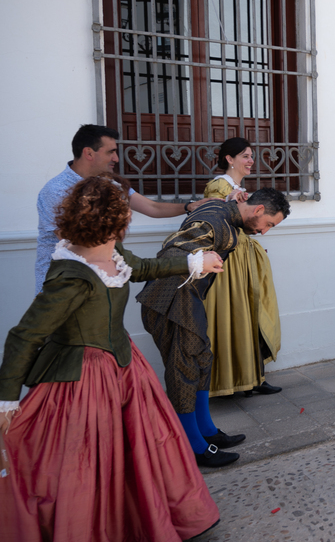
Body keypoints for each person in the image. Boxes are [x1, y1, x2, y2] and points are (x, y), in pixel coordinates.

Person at [0, 175, 224, 542]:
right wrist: (6, 398)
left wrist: (193, 261)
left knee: (136, 453)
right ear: (115, 219)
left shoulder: (113, 251)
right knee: (84, 463)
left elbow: (143, 268)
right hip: (81, 379)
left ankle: (137, 522)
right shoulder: (70, 274)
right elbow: (26, 335)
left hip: (124, 367)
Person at [136, 187, 290, 467]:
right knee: (184, 369)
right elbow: (174, 249)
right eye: (268, 224)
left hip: (185, 298)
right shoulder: (214, 222)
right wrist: (196, 260)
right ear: (257, 210)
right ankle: (194, 447)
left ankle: (207, 432)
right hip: (169, 300)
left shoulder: (224, 213)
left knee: (202, 361)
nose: (265, 231)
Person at [35, 124, 212, 294]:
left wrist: (189, 206)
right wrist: (128, 261)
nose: (116, 159)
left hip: (99, 283)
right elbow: (72, 241)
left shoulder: (110, 183)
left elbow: (152, 207)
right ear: (89, 153)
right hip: (61, 286)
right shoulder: (56, 190)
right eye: (111, 152)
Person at [203, 138, 283, 397]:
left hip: (241, 260)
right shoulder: (219, 185)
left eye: (251, 156)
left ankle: (252, 376)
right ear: (229, 158)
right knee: (236, 316)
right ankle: (239, 380)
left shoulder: (236, 187)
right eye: (245, 156)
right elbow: (215, 215)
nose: (250, 161)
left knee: (250, 316)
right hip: (230, 263)